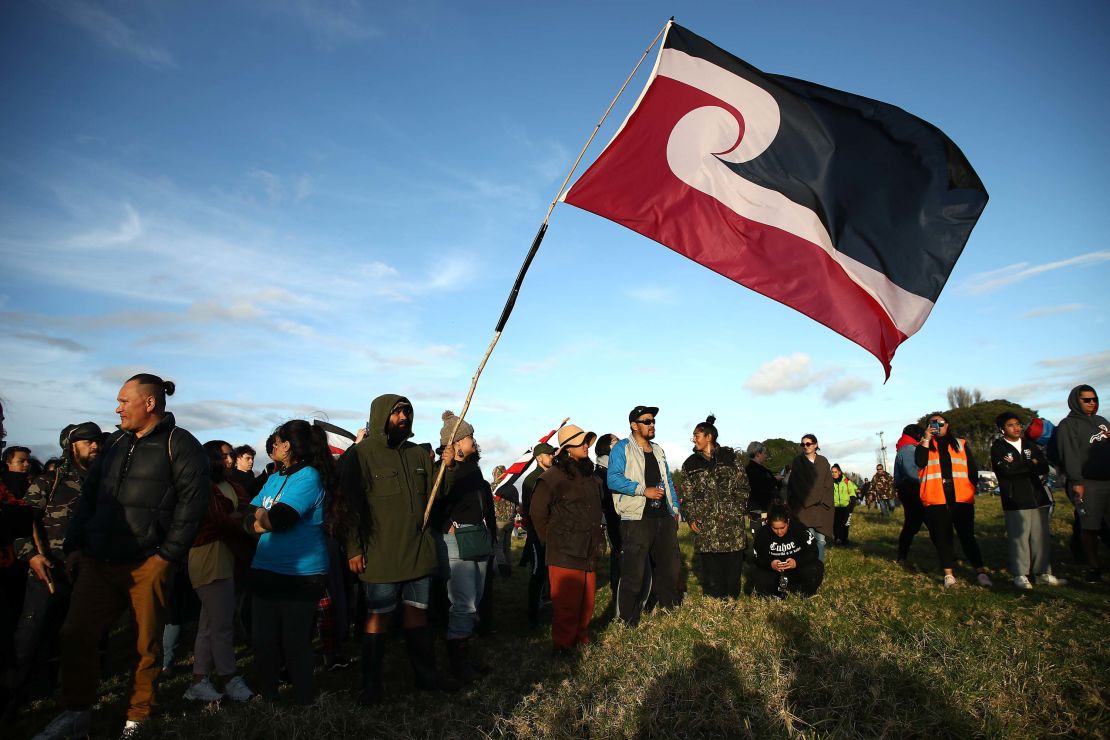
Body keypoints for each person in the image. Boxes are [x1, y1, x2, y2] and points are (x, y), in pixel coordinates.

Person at [36, 374, 209, 740]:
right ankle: (77, 711)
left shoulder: (181, 445)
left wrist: (167, 556)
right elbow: (90, 497)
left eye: (123, 401)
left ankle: (139, 715)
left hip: (147, 562)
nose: (117, 408)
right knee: (75, 635)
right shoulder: (113, 442)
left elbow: (193, 505)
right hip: (98, 561)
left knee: (145, 646)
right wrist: (75, 545)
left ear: (149, 403)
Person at [338, 395, 456, 705]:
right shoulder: (360, 455)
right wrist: (353, 549)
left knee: (418, 616)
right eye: (396, 412)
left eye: (406, 411)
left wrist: (448, 467)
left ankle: (427, 679)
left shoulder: (418, 454)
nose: (403, 417)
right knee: (379, 619)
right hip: (379, 555)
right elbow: (349, 507)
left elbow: (437, 493)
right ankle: (371, 687)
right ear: (380, 416)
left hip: (417, 551)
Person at [7, 423, 100, 713]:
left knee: (71, 636)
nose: (95, 446)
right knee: (30, 635)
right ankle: (11, 699)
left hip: (84, 571)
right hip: (47, 570)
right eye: (88, 442)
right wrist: (31, 556)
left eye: (97, 441)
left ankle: (54, 692)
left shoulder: (99, 483)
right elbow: (22, 523)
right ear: (72, 446)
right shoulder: (50, 480)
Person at [247, 420, 332, 705]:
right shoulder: (274, 477)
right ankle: (269, 696)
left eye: (277, 440)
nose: (271, 444)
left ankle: (303, 700)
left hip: (301, 575)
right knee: (263, 641)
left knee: (295, 642)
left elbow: (279, 520)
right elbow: (246, 516)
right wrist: (261, 519)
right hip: (265, 570)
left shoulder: (308, 477)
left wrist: (262, 518)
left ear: (289, 446)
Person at [182, 441, 254, 703]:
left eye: (230, 456)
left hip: (227, 557)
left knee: (210, 624)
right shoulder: (202, 487)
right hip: (209, 558)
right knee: (222, 624)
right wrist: (247, 519)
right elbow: (224, 519)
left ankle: (199, 680)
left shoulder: (231, 486)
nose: (229, 461)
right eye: (223, 457)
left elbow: (245, 510)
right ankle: (228, 677)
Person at [431, 410, 496, 683]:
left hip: (477, 537)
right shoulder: (443, 471)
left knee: (475, 599)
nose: (474, 440)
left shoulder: (475, 468)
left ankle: (465, 657)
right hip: (455, 540)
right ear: (456, 442)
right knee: (463, 602)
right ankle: (457, 664)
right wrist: (446, 524)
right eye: (469, 436)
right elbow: (435, 501)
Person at [530, 425, 604, 654]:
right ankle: (562, 645)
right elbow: (537, 512)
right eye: (581, 442)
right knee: (566, 604)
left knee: (587, 600)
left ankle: (581, 637)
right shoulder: (552, 477)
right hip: (564, 549)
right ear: (567, 448)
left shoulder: (591, 476)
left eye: (586, 442)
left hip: (588, 546)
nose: (586, 445)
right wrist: (551, 540)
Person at [608, 405, 681, 626]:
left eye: (653, 421)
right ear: (634, 425)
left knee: (670, 566)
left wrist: (674, 508)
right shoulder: (622, 448)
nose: (652, 424)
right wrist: (643, 490)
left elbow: (667, 480)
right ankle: (629, 619)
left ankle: (670, 609)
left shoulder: (658, 450)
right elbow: (613, 479)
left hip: (663, 517)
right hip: (636, 518)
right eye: (647, 421)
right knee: (634, 571)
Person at [915, 412, 992, 588]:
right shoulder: (923, 445)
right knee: (943, 538)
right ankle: (948, 574)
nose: (937, 426)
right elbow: (920, 462)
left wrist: (970, 489)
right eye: (932, 423)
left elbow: (972, 470)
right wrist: (926, 440)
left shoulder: (960, 444)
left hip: (961, 497)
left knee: (967, 536)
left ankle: (980, 572)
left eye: (940, 423)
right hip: (936, 498)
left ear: (948, 425)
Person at [990, 413, 1066, 590]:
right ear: (1002, 429)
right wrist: (1029, 465)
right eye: (1011, 425)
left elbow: (1041, 466)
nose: (1016, 428)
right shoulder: (998, 447)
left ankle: (1043, 573)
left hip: (1038, 496)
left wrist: (1024, 465)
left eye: (1018, 424)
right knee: (1019, 538)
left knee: (1041, 537)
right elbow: (1006, 471)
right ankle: (1020, 574)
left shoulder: (1030, 444)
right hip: (1015, 499)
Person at [680, 415, 749, 598]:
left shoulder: (730, 458)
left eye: (697, 435)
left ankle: (731, 600)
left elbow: (743, 487)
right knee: (711, 571)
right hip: (707, 529)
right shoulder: (690, 464)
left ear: (709, 437)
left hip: (731, 527)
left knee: (732, 570)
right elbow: (687, 496)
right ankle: (714, 602)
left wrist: (735, 510)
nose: (694, 439)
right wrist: (692, 517)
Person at [1055, 385, 1110, 582]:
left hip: (1108, 480)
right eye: (1086, 400)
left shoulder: (1102, 422)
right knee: (1090, 527)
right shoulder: (1068, 425)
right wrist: (1077, 482)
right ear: (1075, 401)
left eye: (1094, 399)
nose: (1092, 402)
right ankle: (1093, 567)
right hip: (1087, 483)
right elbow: (1069, 455)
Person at [750, 504, 824, 598]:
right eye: (775, 528)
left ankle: (805, 592)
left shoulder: (799, 528)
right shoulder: (762, 533)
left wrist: (796, 562)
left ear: (788, 522)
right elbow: (757, 558)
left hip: (797, 569)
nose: (779, 532)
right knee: (758, 576)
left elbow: (813, 552)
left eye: (782, 528)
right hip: (774, 572)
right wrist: (771, 564)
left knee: (816, 567)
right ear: (769, 523)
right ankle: (773, 593)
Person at [521, 442, 555, 628]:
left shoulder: (553, 475)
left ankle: (549, 607)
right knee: (538, 573)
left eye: (552, 454)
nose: (551, 456)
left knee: (551, 572)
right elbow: (531, 510)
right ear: (538, 457)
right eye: (548, 454)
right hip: (537, 535)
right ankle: (532, 615)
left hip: (553, 533)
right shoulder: (531, 480)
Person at [786, 434, 833, 563]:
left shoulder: (823, 461)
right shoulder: (797, 461)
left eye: (808, 444)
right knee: (807, 540)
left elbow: (828, 484)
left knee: (821, 541)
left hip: (821, 507)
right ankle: (808, 566)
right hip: (804, 507)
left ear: (815, 445)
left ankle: (819, 566)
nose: (805, 446)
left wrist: (823, 500)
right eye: (803, 444)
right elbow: (795, 484)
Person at [894, 424, 927, 564]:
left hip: (909, 489)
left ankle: (902, 555)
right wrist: (927, 481)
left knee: (915, 523)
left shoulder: (905, 446)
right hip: (912, 489)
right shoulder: (908, 448)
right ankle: (902, 555)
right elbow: (911, 472)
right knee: (913, 523)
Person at [594, 434, 623, 594]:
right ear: (607, 446)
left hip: (617, 517)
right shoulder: (601, 473)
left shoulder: (613, 468)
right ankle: (617, 588)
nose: (620, 443)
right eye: (615, 441)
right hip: (612, 519)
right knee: (618, 552)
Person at [745, 441, 784, 530]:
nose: (765, 456)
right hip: (759, 510)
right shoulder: (754, 470)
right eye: (764, 453)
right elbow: (762, 487)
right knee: (761, 533)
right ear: (758, 454)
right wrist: (775, 480)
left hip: (757, 508)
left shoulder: (752, 469)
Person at [830, 464, 857, 546]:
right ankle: (837, 539)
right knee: (835, 524)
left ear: (839, 472)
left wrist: (851, 505)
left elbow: (852, 493)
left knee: (845, 524)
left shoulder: (846, 481)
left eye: (835, 472)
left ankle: (845, 540)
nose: (833, 474)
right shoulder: (829, 482)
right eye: (832, 472)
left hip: (846, 507)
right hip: (835, 507)